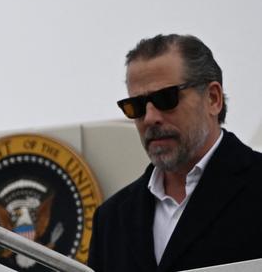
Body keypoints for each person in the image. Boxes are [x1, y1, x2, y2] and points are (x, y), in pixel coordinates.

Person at [87, 34, 262, 272]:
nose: (150, 118)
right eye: (135, 106)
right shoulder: (111, 220)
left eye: (165, 98)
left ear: (213, 98)